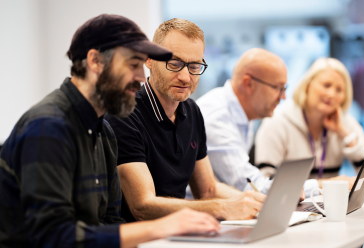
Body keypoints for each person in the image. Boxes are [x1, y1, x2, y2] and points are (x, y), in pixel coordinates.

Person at [0, 14, 220, 248]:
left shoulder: (103, 130)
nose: (140, 79)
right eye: (132, 65)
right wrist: (161, 227)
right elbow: (52, 237)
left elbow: (110, 221)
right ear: (95, 61)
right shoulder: (48, 128)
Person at [106, 18, 265, 223]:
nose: (185, 77)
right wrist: (223, 207)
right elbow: (142, 206)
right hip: (141, 238)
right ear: (149, 61)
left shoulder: (192, 111)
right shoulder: (125, 112)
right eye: (174, 64)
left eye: (195, 66)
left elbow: (208, 190)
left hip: (180, 231)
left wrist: (259, 202)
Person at [255, 57, 364, 180]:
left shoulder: (344, 121)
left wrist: (344, 134)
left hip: (331, 199)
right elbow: (265, 181)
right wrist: (324, 185)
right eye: (326, 85)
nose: (331, 94)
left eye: (339, 90)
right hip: (290, 200)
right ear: (307, 85)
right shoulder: (277, 120)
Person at [196, 48, 288, 193]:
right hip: (198, 212)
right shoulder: (217, 117)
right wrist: (315, 187)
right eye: (277, 88)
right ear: (248, 83)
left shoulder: (243, 113)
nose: (283, 97)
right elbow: (249, 186)